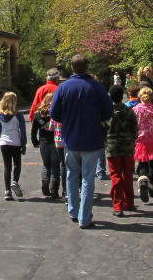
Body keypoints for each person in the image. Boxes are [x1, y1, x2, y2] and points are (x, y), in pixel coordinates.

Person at [50, 54, 113, 229]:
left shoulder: (63, 88)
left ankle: (73, 210)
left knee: (71, 175)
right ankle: (85, 217)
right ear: (87, 68)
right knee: (87, 179)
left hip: (70, 138)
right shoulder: (97, 87)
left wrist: (68, 117)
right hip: (92, 139)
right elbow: (109, 112)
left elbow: (54, 113)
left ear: (72, 68)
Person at [104, 84, 138, 217]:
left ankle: (117, 205)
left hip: (112, 147)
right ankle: (129, 201)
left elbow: (102, 129)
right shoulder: (129, 111)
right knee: (127, 175)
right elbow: (135, 129)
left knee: (115, 176)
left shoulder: (107, 112)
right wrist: (132, 140)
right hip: (128, 147)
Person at [0, 92, 27, 201]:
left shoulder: (0, 115)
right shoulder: (19, 115)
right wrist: (24, 145)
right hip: (15, 143)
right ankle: (15, 182)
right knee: (17, 164)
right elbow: (23, 132)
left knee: (7, 167)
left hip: (4, 143)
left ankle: (7, 191)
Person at [31, 92, 62, 199]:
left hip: (43, 142)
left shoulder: (38, 114)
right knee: (55, 167)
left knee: (46, 164)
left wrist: (35, 142)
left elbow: (34, 131)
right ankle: (54, 190)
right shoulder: (56, 113)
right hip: (55, 142)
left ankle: (45, 185)